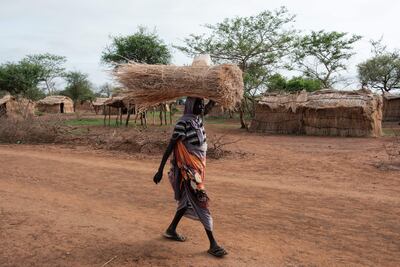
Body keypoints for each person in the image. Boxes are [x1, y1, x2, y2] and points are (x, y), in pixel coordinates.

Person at [153, 97, 228, 257]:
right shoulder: (183, 123)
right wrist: (159, 170)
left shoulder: (198, 121)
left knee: (186, 200)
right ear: (190, 105)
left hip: (198, 168)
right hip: (188, 170)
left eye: (202, 104)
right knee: (201, 201)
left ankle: (171, 229)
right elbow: (171, 146)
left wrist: (214, 98)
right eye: (198, 104)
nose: (201, 107)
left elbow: (206, 109)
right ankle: (213, 244)